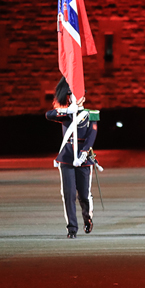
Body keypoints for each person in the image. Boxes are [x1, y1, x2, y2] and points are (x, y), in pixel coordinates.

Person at [45, 77, 99, 239]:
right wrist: (67, 111)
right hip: (67, 158)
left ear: (84, 97)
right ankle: (72, 228)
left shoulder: (92, 114)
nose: (75, 98)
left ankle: (87, 217)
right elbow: (49, 114)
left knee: (83, 194)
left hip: (83, 159)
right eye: (72, 95)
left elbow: (92, 135)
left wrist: (83, 154)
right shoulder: (67, 114)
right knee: (68, 194)